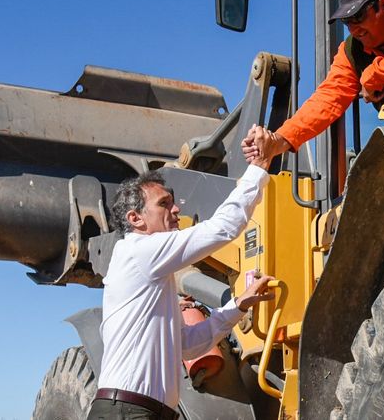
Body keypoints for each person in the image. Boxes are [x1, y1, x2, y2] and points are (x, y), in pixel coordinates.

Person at [89, 126, 278, 420]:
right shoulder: (140, 251)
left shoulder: (151, 274)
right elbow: (222, 228)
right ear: (135, 219)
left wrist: (238, 305)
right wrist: (259, 166)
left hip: (142, 412)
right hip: (127, 412)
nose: (176, 209)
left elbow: (188, 346)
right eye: (164, 204)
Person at [244, 0, 384, 161]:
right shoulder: (351, 52)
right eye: (347, 21)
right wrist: (278, 140)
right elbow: (327, 99)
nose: (353, 29)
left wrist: (374, 75)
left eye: (358, 16)